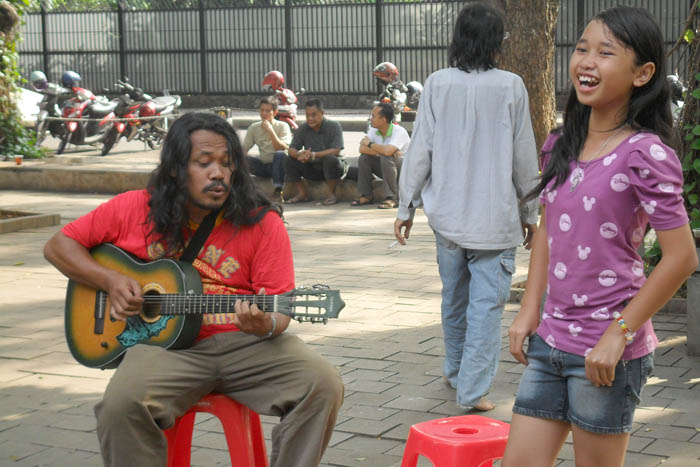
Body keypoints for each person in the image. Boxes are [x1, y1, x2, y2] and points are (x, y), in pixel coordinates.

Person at [43, 112, 344, 467]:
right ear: (175, 168)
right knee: (120, 405)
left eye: (226, 163)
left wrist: (265, 324)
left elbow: (279, 310)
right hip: (163, 347)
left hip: (244, 344)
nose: (218, 173)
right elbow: (58, 246)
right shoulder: (134, 208)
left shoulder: (262, 222)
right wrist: (109, 280)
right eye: (204, 163)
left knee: (323, 383)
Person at [502, 7, 698, 466]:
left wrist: (618, 334)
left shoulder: (646, 153)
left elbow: (681, 257)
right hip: (549, 342)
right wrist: (529, 311)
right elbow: (548, 229)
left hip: (608, 352)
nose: (586, 62)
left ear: (642, 73)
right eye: (581, 49)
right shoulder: (561, 142)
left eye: (605, 53)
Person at [393, 2, 539, 411]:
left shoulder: (438, 83)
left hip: (448, 220)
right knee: (485, 308)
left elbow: (420, 148)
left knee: (454, 299)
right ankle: (472, 391)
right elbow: (524, 156)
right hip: (495, 224)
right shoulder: (512, 85)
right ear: (497, 42)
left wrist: (406, 207)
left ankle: (456, 371)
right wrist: (532, 214)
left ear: (458, 39)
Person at [285, 99, 346, 205]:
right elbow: (291, 149)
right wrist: (299, 154)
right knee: (288, 159)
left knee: (331, 159)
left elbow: (336, 150)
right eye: (307, 115)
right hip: (312, 168)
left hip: (333, 168)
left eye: (314, 115)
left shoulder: (334, 126)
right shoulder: (303, 127)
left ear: (322, 113)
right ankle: (302, 193)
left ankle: (331, 194)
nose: (310, 118)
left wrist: (313, 155)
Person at [353, 102, 411, 209]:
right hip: (386, 167)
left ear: (383, 119)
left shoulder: (399, 131)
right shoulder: (373, 130)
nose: (371, 119)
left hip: (404, 171)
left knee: (386, 157)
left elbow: (385, 151)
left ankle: (392, 197)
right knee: (364, 158)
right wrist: (383, 150)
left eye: (374, 116)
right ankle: (366, 195)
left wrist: (371, 145)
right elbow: (362, 149)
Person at [242, 96, 292, 202]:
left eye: (268, 111)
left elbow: (282, 148)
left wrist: (270, 131)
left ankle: (278, 191)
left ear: (275, 112)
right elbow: (244, 149)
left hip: (279, 166)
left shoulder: (283, 126)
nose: (264, 113)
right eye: (262, 110)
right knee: (242, 159)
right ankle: (243, 190)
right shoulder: (254, 127)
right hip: (264, 166)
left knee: (280, 154)